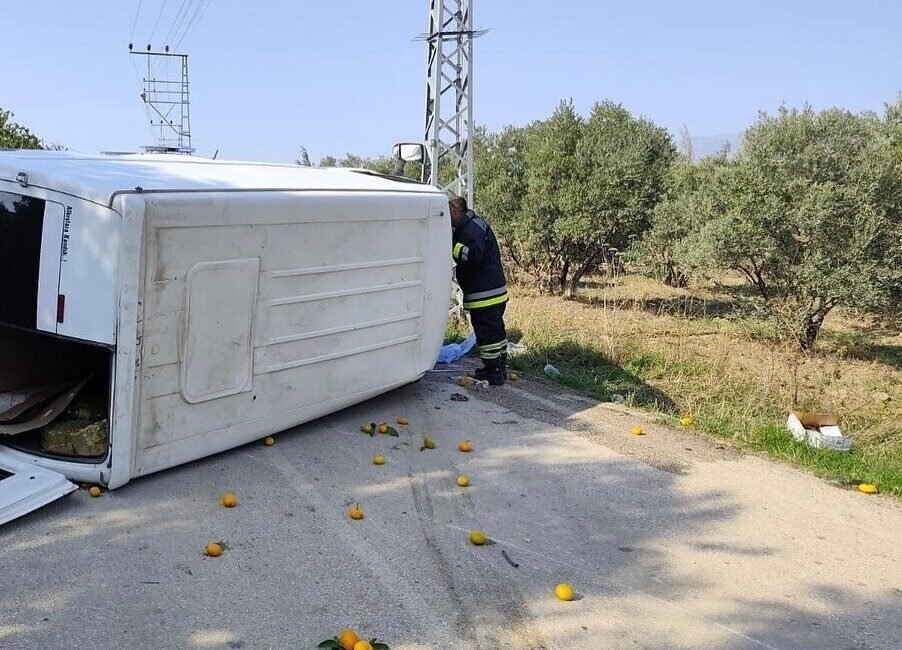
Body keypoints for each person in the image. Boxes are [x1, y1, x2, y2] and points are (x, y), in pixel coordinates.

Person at [449, 194, 509, 385]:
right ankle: (499, 367)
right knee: (496, 333)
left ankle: (493, 373)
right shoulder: (472, 225)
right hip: (492, 291)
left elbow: (474, 255)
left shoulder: (471, 228)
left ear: (456, 210)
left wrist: (451, 247)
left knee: (487, 335)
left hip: (484, 294)